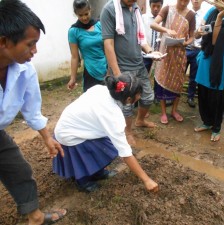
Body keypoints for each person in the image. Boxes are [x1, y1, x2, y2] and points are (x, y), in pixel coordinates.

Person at [0, 0, 67, 224]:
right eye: (30, 44)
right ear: (4, 42)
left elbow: (32, 110)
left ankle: (35, 217)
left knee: (19, 170)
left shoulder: (24, 69)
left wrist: (48, 138)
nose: (35, 51)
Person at [53, 74, 159, 193]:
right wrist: (146, 180)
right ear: (129, 99)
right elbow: (125, 153)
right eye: (138, 96)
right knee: (110, 146)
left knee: (108, 144)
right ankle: (83, 181)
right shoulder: (112, 115)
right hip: (70, 136)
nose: (139, 97)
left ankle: (97, 172)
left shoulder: (100, 89)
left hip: (75, 126)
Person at [100, 0, 162, 146]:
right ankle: (127, 132)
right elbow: (108, 44)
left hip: (139, 65)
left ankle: (140, 120)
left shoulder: (135, 8)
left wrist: (151, 52)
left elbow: (141, 39)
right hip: (122, 68)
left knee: (147, 96)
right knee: (126, 105)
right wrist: (118, 74)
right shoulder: (109, 10)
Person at [193, 0, 224, 141]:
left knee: (216, 95)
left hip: (219, 61)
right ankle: (206, 122)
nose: (220, 2)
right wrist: (199, 32)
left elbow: (216, 41)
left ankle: (216, 127)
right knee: (203, 92)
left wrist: (219, 18)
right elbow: (202, 32)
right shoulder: (211, 11)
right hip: (206, 57)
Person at [150, 0, 196, 124]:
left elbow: (192, 36)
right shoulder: (167, 9)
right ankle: (163, 112)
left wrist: (187, 42)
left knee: (178, 82)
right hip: (165, 53)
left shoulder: (191, 15)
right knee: (162, 81)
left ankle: (174, 110)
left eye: (186, 1)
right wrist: (166, 30)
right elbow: (153, 24)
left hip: (180, 54)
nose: (183, 3)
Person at [67, 0, 107, 92]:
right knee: (91, 101)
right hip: (90, 71)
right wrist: (73, 78)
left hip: (106, 69)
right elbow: (74, 57)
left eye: (86, 14)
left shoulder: (99, 25)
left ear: (90, 10)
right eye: (80, 15)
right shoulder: (74, 31)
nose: (84, 18)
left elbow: (108, 47)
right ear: (76, 14)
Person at [186, 0, 205, 108]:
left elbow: (208, 30)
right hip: (185, 48)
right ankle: (174, 96)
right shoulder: (186, 13)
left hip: (198, 49)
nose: (196, 0)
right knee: (180, 73)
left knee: (194, 76)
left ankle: (190, 96)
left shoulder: (205, 15)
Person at [142, 0, 164, 73]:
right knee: (143, 76)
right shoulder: (143, 18)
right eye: (153, 6)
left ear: (162, 6)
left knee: (157, 79)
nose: (156, 9)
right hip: (145, 54)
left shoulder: (164, 20)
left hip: (159, 55)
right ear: (150, 5)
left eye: (158, 6)